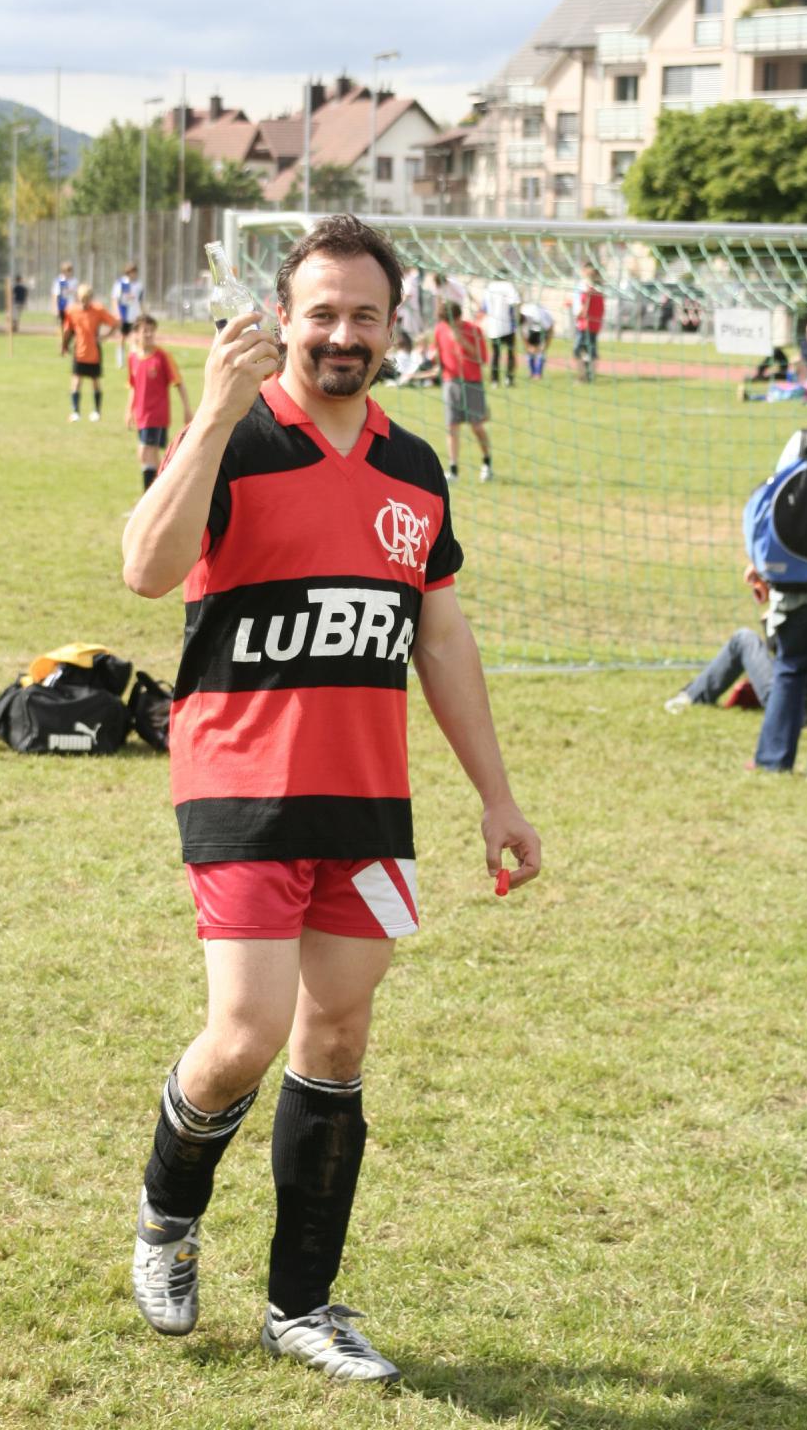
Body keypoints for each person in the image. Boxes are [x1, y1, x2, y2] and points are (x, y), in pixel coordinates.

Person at [121, 214, 540, 1385]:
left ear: (395, 327)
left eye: (364, 315)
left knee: (338, 1039)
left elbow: (439, 638)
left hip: (365, 797)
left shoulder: (413, 467)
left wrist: (498, 799)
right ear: (282, 318)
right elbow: (145, 570)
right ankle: (166, 1215)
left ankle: (300, 1307)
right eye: (321, 313)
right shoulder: (239, 436)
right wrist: (211, 414)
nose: (342, 334)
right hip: (241, 782)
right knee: (244, 1034)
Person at [748, 431, 807, 773]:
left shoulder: (800, 442)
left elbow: (776, 510)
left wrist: (759, 566)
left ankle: (773, 758)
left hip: (795, 583)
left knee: (790, 668)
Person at [665, 564, 775, 713]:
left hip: (788, 698)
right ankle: (693, 695)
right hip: (795, 690)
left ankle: (692, 696)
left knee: (743, 640)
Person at [126, 313, 192, 491]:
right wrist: (129, 410)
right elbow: (133, 386)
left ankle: (150, 494)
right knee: (150, 456)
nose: (148, 334)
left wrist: (186, 409)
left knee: (145, 452)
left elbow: (179, 383)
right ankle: (162, 488)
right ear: (136, 334)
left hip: (156, 415)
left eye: (151, 331)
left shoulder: (162, 356)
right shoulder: (133, 358)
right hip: (141, 416)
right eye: (144, 331)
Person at [433, 299, 493, 483]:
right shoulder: (440, 329)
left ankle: (487, 463)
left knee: (477, 426)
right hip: (450, 382)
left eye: (452, 322)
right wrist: (435, 361)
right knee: (452, 426)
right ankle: (453, 470)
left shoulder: (474, 330)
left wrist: (462, 341)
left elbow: (482, 358)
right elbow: (437, 352)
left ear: (459, 317)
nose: (449, 325)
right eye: (446, 322)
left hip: (472, 382)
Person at [62, 283, 119, 422]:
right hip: (79, 352)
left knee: (95, 382)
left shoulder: (98, 310)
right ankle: (75, 412)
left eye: (87, 298)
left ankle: (97, 412)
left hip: (94, 352)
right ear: (78, 298)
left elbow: (115, 323)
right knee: (76, 382)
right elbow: (67, 330)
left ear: (91, 298)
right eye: (81, 298)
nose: (84, 302)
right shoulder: (71, 311)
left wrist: (104, 337)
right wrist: (64, 345)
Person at [481, 277, 520, 387]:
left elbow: (484, 307)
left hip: (493, 327)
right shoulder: (508, 285)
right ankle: (509, 379)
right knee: (510, 353)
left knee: (495, 354)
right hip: (507, 326)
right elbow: (515, 303)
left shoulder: (489, 287)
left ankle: (495, 381)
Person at [573, 266, 604, 383]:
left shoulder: (589, 292)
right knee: (590, 351)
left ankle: (582, 377)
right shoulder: (600, 292)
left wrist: (578, 316)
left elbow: (584, 309)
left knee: (578, 351)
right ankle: (590, 376)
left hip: (585, 325)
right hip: (595, 325)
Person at [112, 262, 145, 368]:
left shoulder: (139, 285)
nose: (134, 274)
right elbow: (115, 299)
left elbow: (140, 301)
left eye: (135, 272)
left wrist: (143, 314)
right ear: (127, 273)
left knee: (134, 338)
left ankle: (134, 361)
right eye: (132, 272)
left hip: (135, 316)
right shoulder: (120, 283)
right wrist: (117, 313)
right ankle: (120, 362)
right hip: (124, 316)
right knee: (122, 338)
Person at [519, 301, 554, 380]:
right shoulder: (522, 318)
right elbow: (523, 335)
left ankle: (538, 374)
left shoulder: (541, 318)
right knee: (529, 351)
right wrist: (528, 347)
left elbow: (550, 330)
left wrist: (545, 346)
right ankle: (532, 373)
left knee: (541, 351)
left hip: (543, 329)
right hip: (532, 329)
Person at [52, 261, 77, 354]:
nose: (68, 272)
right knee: (63, 328)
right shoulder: (59, 281)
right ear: (63, 271)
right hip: (62, 308)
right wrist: (55, 308)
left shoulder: (74, 281)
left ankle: (66, 345)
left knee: (72, 329)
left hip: (72, 308)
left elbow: (77, 295)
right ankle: (62, 347)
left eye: (70, 270)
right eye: (66, 270)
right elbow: (55, 295)